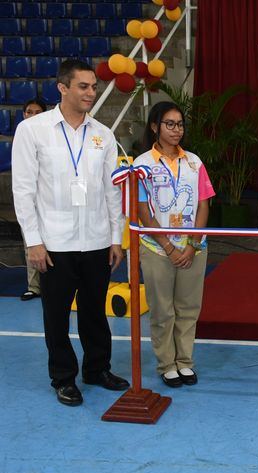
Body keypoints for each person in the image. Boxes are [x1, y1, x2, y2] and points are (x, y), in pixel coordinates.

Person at [12, 59, 129, 407]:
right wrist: (33, 241)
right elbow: (23, 189)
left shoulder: (102, 134)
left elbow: (112, 191)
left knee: (94, 310)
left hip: (95, 240)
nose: (91, 93)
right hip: (54, 242)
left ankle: (97, 368)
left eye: (93, 86)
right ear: (62, 88)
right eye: (84, 87)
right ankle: (63, 377)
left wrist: (114, 238)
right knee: (57, 314)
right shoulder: (34, 130)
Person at [135, 102, 215, 388]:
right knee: (162, 309)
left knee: (188, 308)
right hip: (158, 248)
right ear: (155, 126)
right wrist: (169, 247)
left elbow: (204, 205)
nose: (176, 129)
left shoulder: (194, 162)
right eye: (170, 124)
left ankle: (185, 361)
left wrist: (193, 244)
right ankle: (167, 363)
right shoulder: (142, 164)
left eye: (180, 124)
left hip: (193, 247)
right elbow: (143, 210)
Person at [18, 98, 47, 301]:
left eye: (38, 112)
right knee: (31, 241)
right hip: (30, 199)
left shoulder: (53, 137)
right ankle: (34, 286)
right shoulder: (22, 135)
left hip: (50, 202)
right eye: (29, 112)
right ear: (23, 115)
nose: (32, 116)